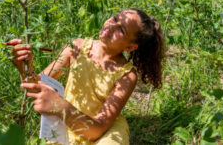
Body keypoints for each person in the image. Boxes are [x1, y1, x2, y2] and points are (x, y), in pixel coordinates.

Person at [9, 8, 165, 144]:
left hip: (102, 128)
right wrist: (24, 66)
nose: (111, 25)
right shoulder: (77, 47)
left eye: (121, 30)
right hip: (68, 122)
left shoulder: (126, 75)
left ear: (130, 47)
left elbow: (97, 129)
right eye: (115, 18)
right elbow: (37, 85)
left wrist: (59, 106)